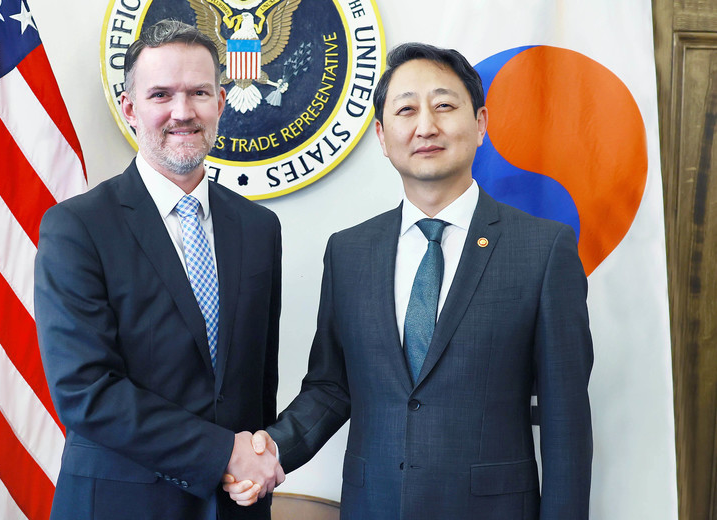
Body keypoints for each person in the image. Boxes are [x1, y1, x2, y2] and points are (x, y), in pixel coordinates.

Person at [225, 42, 593, 519]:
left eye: (444, 106)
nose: (426, 126)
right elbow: (331, 387)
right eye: (405, 110)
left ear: (481, 123)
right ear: (382, 135)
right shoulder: (349, 252)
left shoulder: (543, 250)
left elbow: (566, 419)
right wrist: (271, 450)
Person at [34, 19, 283, 520]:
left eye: (199, 93)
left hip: (237, 504)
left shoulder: (260, 228)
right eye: (161, 94)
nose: (182, 112)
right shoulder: (76, 228)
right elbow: (86, 392)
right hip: (120, 505)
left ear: (221, 103)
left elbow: (259, 386)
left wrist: (256, 460)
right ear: (130, 108)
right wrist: (223, 453)